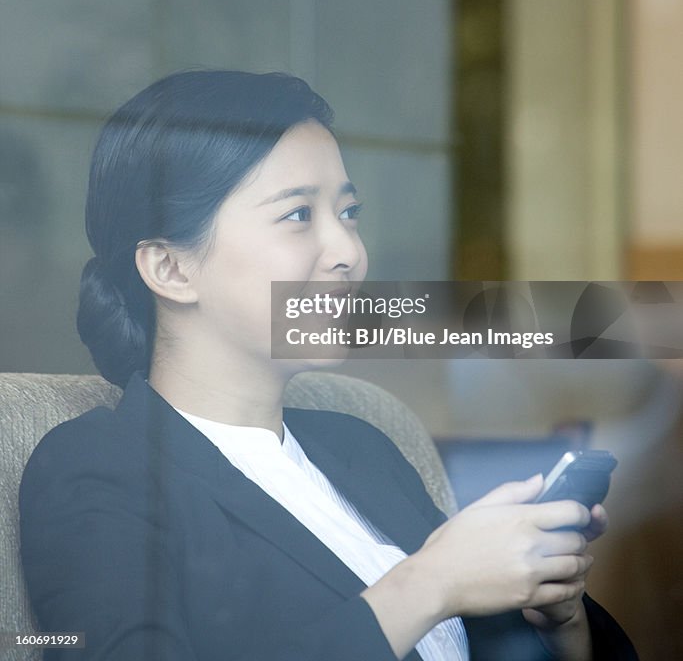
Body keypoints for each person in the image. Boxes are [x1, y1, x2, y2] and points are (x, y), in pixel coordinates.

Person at [19, 70, 638, 661]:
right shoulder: (96, 469)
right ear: (170, 269)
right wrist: (428, 582)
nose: (348, 253)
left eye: (348, 213)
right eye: (297, 215)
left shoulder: (362, 445)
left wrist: (556, 617)